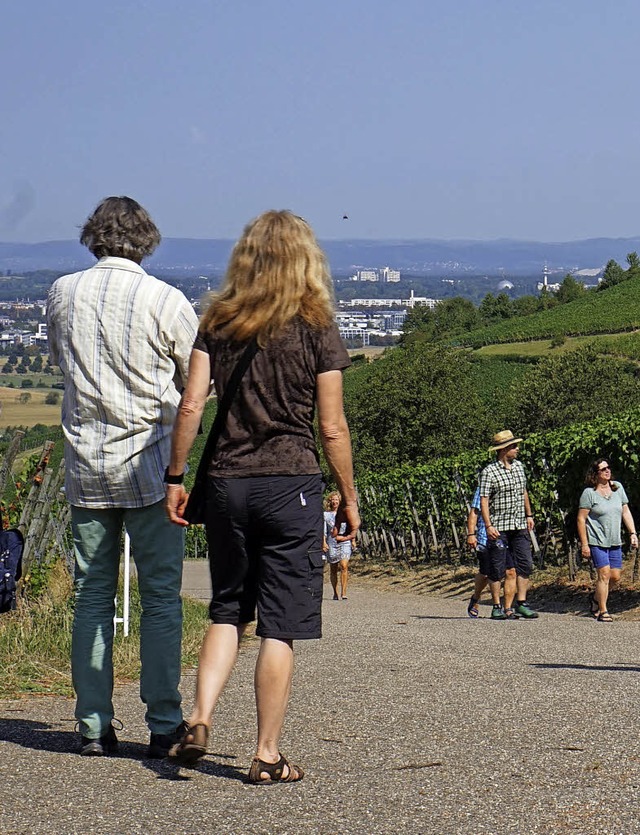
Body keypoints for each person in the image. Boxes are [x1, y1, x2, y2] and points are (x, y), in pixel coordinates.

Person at [164, 210, 359, 784]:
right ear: (306, 258)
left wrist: (177, 478)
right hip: (292, 486)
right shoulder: (317, 325)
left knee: (228, 606)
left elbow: (192, 406)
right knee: (280, 623)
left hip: (225, 484)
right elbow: (332, 429)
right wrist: (347, 494)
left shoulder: (218, 321)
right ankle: (267, 754)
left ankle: (199, 718)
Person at [47, 196, 199, 757]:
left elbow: (64, 364)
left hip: (86, 464)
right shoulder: (168, 300)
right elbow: (196, 383)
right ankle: (163, 722)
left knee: (91, 596)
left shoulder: (62, 293)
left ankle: (92, 723)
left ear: (94, 237)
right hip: (155, 466)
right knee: (161, 598)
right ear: (146, 240)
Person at [479, 430, 538, 620]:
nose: (517, 449)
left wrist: (529, 514)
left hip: (519, 523)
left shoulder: (519, 467)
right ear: (504, 449)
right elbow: (484, 500)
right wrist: (488, 525)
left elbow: (523, 492)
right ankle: (497, 606)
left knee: (525, 564)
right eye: (514, 446)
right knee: (498, 569)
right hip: (500, 526)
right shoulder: (489, 472)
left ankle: (521, 603)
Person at [577, 458, 637, 622]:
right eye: (603, 469)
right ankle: (603, 610)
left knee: (615, 576)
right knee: (603, 574)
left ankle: (596, 599)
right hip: (597, 540)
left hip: (614, 540)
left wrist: (632, 533)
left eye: (608, 468)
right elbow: (581, 519)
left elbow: (625, 512)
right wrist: (585, 544)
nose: (607, 471)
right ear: (595, 474)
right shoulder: (589, 494)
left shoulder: (618, 488)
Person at [324, 491, 356, 600]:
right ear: (330, 501)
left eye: (336, 499)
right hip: (332, 542)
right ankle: (335, 592)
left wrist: (353, 540)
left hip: (345, 540)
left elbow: (352, 527)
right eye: (333, 499)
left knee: (344, 565)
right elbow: (324, 531)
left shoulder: (345, 513)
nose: (335, 501)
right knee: (333, 568)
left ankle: (344, 592)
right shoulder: (326, 515)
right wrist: (323, 543)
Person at [466, 486, 489, 618]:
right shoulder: (483, 488)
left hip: (505, 535)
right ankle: (475, 598)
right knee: (486, 573)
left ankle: (501, 606)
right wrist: (471, 533)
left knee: (509, 571)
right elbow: (474, 511)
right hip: (484, 536)